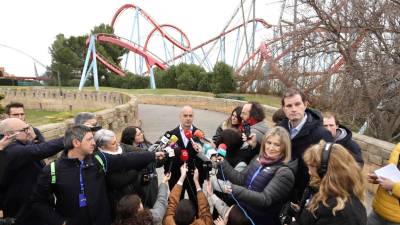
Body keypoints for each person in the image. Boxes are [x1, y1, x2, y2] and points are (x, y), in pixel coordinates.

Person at [31, 125, 165, 225]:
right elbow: (38, 202)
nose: (94, 143)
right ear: (76, 143)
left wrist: (152, 155)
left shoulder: (98, 159)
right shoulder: (52, 170)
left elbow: (124, 160)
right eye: (89, 139)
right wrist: (61, 222)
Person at [218, 126, 295, 225]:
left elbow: (265, 199)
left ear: (285, 147)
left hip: (258, 220)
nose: (271, 148)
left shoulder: (284, 172)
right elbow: (241, 179)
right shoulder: (257, 159)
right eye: (269, 142)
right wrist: (223, 163)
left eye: (277, 145)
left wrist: (235, 190)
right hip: (242, 212)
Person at [0, 118, 64, 224]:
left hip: (32, 208)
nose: (29, 131)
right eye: (24, 130)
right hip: (24, 213)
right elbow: (41, 150)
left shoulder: (20, 145)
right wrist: (69, 137)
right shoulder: (11, 150)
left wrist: (34, 138)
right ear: (9, 135)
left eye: (28, 127)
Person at [288, 140, 367, 225]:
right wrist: (301, 212)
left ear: (326, 170)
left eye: (312, 166)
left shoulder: (341, 213)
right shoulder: (323, 188)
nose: (309, 172)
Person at [278, 88, 333, 201]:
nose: (293, 109)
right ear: (284, 109)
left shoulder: (322, 135)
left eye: (297, 104)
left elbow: (328, 171)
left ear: (305, 105)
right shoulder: (279, 129)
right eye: (289, 106)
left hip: (303, 195)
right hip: (279, 188)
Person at [166, 106, 205, 203]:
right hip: (176, 176)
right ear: (180, 116)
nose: (188, 118)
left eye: (190, 116)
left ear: (193, 117)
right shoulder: (171, 134)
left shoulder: (199, 134)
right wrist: (167, 171)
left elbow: (204, 156)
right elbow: (166, 155)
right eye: (185, 115)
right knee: (176, 204)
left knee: (197, 203)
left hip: (194, 176)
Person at [120, 127, 161, 207]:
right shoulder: (125, 153)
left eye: (141, 132)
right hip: (138, 185)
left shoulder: (148, 145)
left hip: (152, 183)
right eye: (138, 134)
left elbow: (157, 164)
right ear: (131, 138)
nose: (142, 134)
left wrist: (161, 159)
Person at [367, 143, 400, 225]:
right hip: (378, 211)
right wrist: (380, 178)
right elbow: (393, 173)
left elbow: (393, 184)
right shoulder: (398, 147)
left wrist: (393, 187)